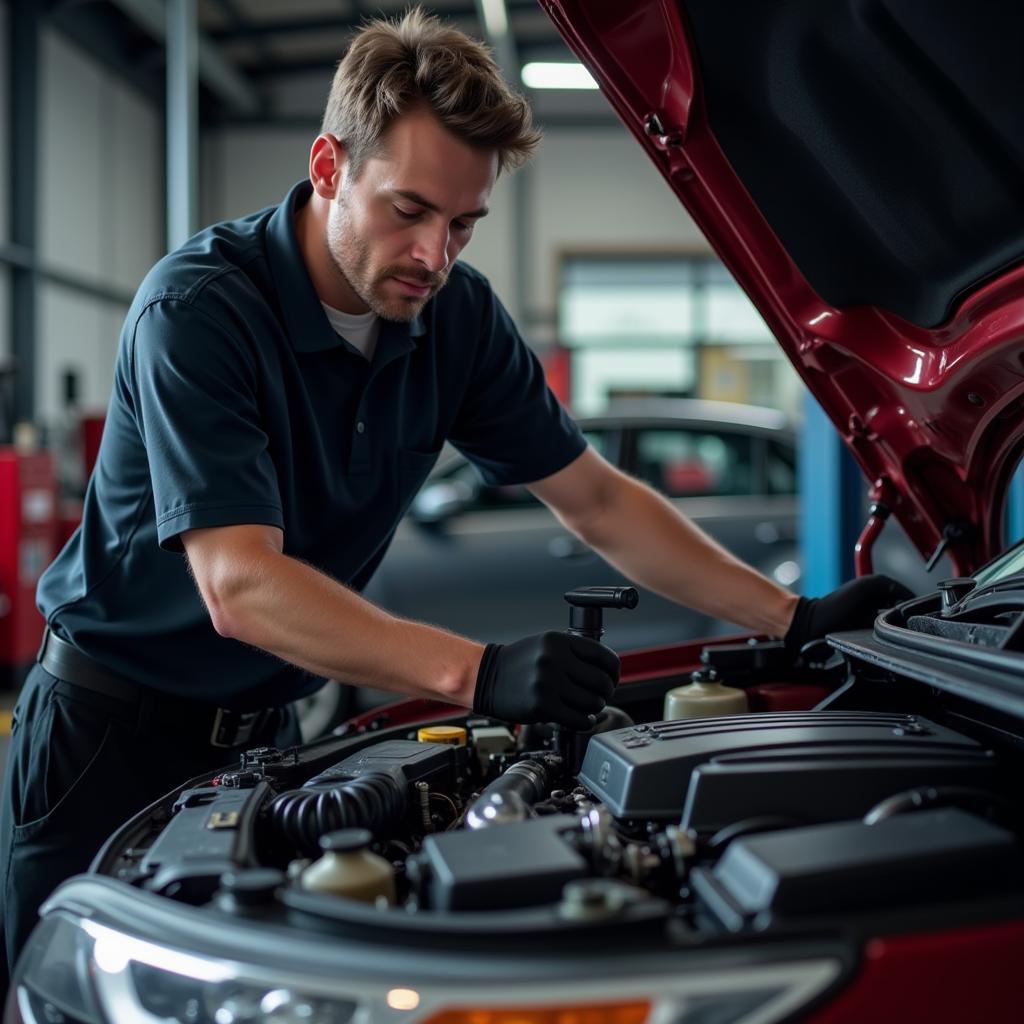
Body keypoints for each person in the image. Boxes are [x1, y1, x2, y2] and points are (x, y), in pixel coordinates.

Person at [0, 7, 910, 984]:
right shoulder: (201, 311)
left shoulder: (457, 321)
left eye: (463, 223)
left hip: (266, 742)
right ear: (326, 167)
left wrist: (794, 612)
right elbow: (241, 587)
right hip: (107, 738)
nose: (436, 254)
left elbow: (595, 500)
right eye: (408, 211)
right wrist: (477, 673)